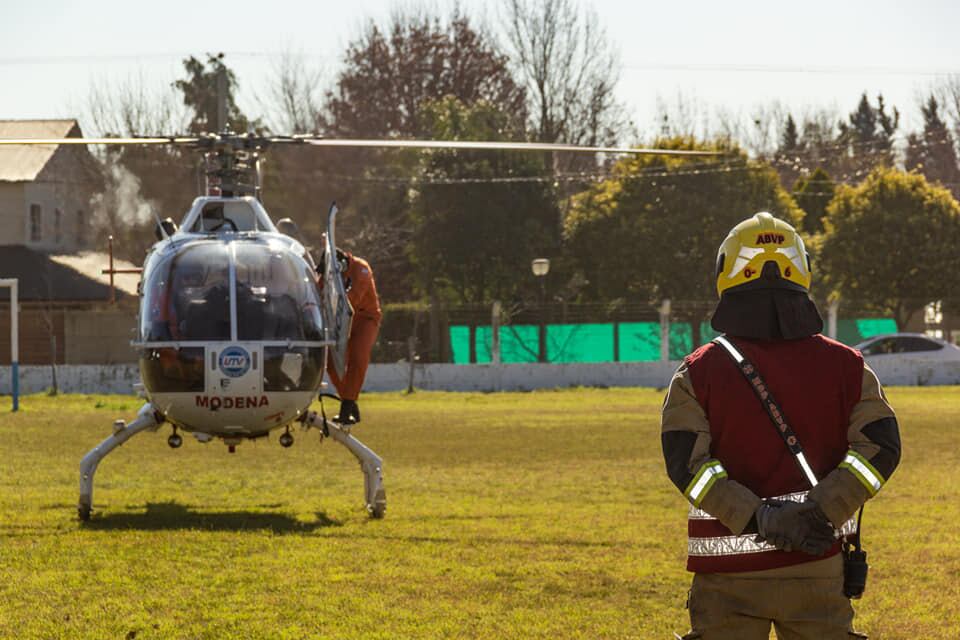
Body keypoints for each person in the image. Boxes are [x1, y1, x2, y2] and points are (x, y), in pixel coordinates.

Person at [661, 212, 901, 639]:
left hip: (726, 573)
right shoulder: (847, 365)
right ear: (802, 270)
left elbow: (687, 466)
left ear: (725, 273)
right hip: (816, 563)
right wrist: (818, 511)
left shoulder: (699, 371)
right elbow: (880, 449)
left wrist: (759, 518)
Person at [321, 248, 382, 424]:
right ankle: (351, 402)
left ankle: (346, 408)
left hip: (365, 318)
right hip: (343, 320)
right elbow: (318, 292)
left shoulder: (361, 268)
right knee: (332, 365)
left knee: (358, 357)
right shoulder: (331, 272)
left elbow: (352, 300)